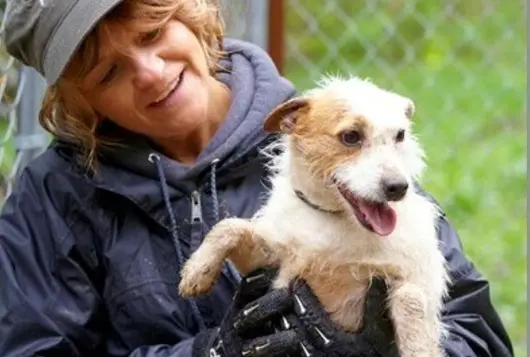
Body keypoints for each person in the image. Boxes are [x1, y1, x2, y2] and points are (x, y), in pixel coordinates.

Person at [0, 0, 514, 356]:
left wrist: (388, 346)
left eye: (153, 33)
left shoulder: (332, 141)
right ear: (78, 103)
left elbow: (476, 331)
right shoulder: (53, 201)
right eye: (109, 73)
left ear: (191, 15)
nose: (151, 72)